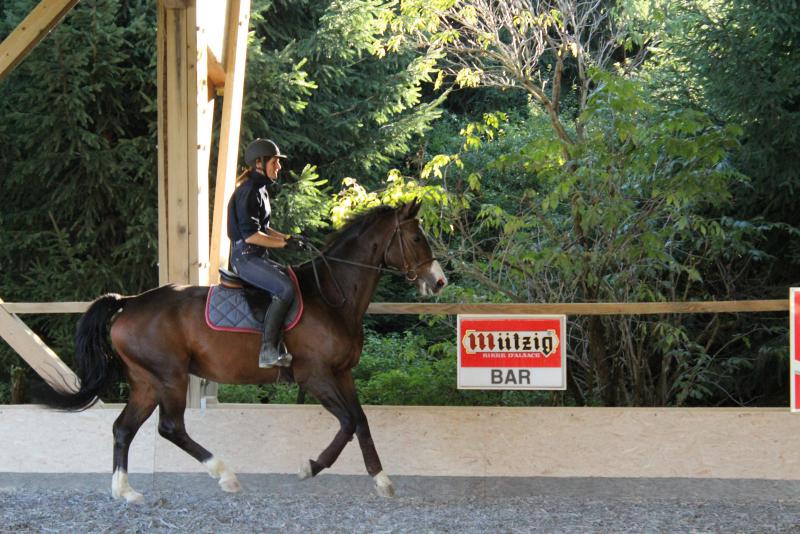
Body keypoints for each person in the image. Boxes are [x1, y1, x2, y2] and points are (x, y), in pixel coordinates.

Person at [227, 138, 300, 368]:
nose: (279, 166)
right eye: (275, 162)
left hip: (257, 255)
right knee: (285, 289)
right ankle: (267, 351)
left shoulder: (261, 189)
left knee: (293, 280)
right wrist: (282, 245)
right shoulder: (248, 191)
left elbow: (264, 227)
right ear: (259, 162)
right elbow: (251, 236)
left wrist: (287, 238)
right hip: (245, 257)